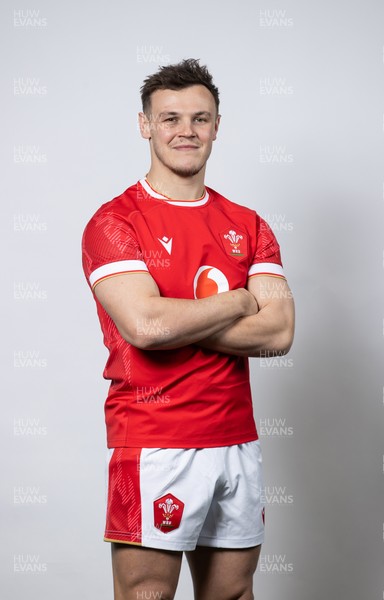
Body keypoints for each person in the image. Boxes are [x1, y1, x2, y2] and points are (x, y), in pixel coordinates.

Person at [82, 58, 295, 600]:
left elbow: (278, 334)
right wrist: (240, 299)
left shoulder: (249, 225)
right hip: (155, 440)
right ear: (144, 125)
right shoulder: (115, 223)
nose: (186, 131)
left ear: (217, 125)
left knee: (232, 593)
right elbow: (147, 326)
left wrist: (178, 318)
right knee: (147, 595)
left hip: (236, 437)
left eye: (200, 119)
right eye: (170, 118)